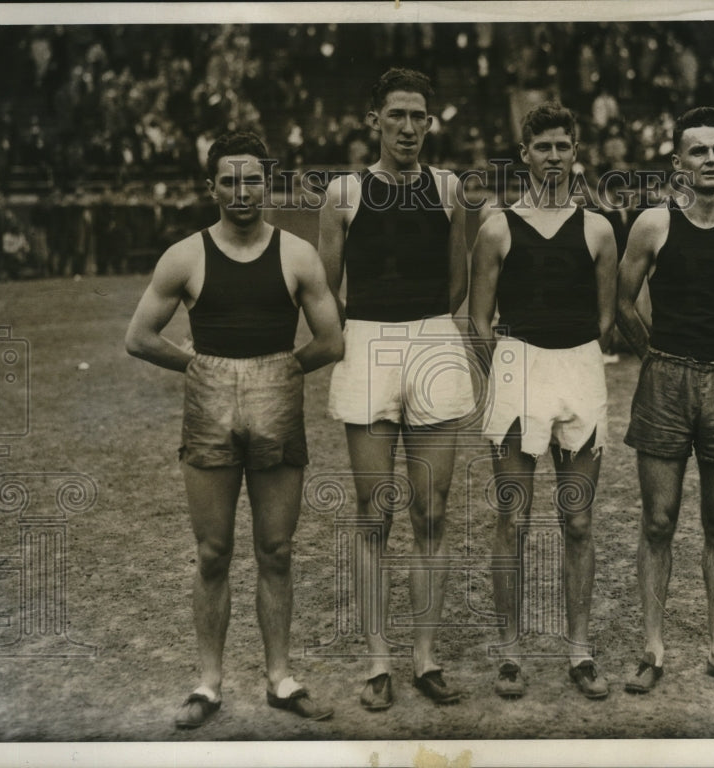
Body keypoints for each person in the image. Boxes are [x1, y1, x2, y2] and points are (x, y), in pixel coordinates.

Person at [125, 131, 343, 729]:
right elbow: (138, 336)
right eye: (230, 180)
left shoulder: (297, 254)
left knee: (276, 550)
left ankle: (280, 677)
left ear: (266, 183)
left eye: (253, 180)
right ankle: (209, 683)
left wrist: (280, 371)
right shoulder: (185, 255)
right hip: (209, 406)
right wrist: (196, 364)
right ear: (212, 187)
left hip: (277, 399)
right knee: (212, 551)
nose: (243, 191)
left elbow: (331, 340)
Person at [318, 68, 475, 710]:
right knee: (374, 511)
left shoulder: (448, 189)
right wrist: (376, 333)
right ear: (374, 121)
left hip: (434, 341)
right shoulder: (343, 192)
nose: (409, 127)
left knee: (431, 510)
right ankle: (379, 659)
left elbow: (458, 281)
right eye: (397, 115)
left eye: (419, 116)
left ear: (430, 123)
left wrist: (423, 330)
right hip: (367, 344)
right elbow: (325, 288)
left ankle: (426, 657)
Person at [615, 107, 714, 694]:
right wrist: (655, 358)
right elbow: (624, 304)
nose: (711, 160)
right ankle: (652, 650)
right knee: (658, 521)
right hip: (665, 382)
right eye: (699, 151)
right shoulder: (652, 224)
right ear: (678, 163)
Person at [469, 103, 618, 700]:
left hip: (580, 368)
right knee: (513, 518)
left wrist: (569, 352)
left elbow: (606, 320)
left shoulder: (600, 228)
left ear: (575, 151)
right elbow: (478, 320)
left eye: (563, 145)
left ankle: (579, 651)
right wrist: (507, 372)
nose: (553, 156)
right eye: (542, 147)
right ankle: (509, 653)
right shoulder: (497, 227)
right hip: (517, 369)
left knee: (577, 520)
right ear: (524, 153)